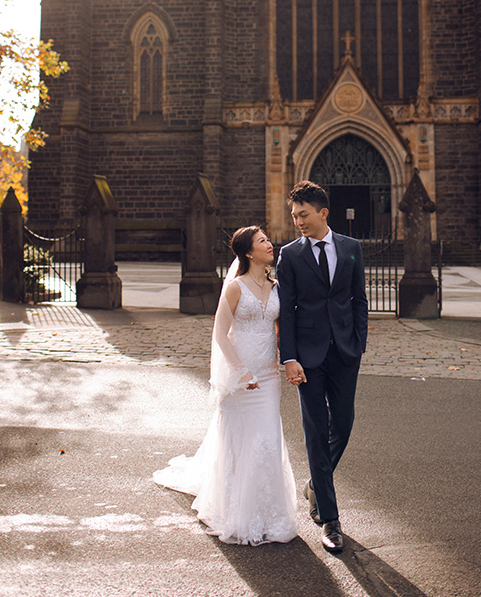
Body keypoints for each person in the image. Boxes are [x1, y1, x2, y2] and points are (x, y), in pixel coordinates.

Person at [153, 226, 298, 546]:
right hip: (240, 377)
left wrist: (290, 359)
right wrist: (241, 372)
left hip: (268, 376)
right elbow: (220, 335)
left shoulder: (276, 287)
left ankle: (270, 512)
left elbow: (280, 329)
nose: (270, 244)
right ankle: (238, 510)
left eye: (267, 239)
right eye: (262, 241)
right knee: (238, 443)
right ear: (248, 252)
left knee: (268, 440)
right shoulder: (235, 287)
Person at [276, 181, 368, 555]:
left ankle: (316, 482)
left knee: (343, 424)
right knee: (316, 431)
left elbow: (358, 298)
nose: (298, 221)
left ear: (323, 213)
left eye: (303, 214)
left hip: (345, 352)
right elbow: (288, 310)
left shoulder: (351, 248)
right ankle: (330, 519)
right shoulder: (290, 255)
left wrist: (358, 343)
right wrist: (290, 357)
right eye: (294, 215)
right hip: (308, 357)